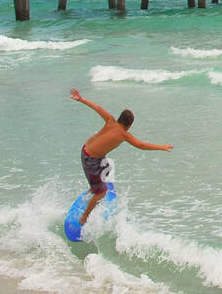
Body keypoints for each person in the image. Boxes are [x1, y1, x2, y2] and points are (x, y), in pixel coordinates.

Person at [70, 89, 172, 227]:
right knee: (102, 193)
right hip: (91, 160)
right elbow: (141, 145)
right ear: (129, 125)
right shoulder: (124, 134)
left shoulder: (110, 120)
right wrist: (162, 147)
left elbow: (97, 107)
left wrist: (81, 99)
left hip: (85, 150)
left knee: (107, 166)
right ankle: (84, 217)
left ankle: (93, 187)